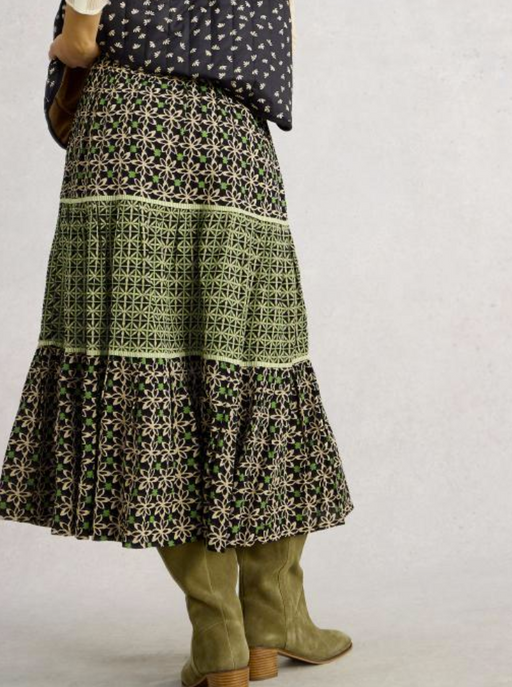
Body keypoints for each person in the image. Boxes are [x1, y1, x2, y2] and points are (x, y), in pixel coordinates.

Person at [0, 2, 355, 685]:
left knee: (151, 366)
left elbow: (83, 35)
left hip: (130, 126)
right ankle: (275, 615)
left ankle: (222, 637)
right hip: (230, 130)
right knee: (259, 361)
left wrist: (75, 34)